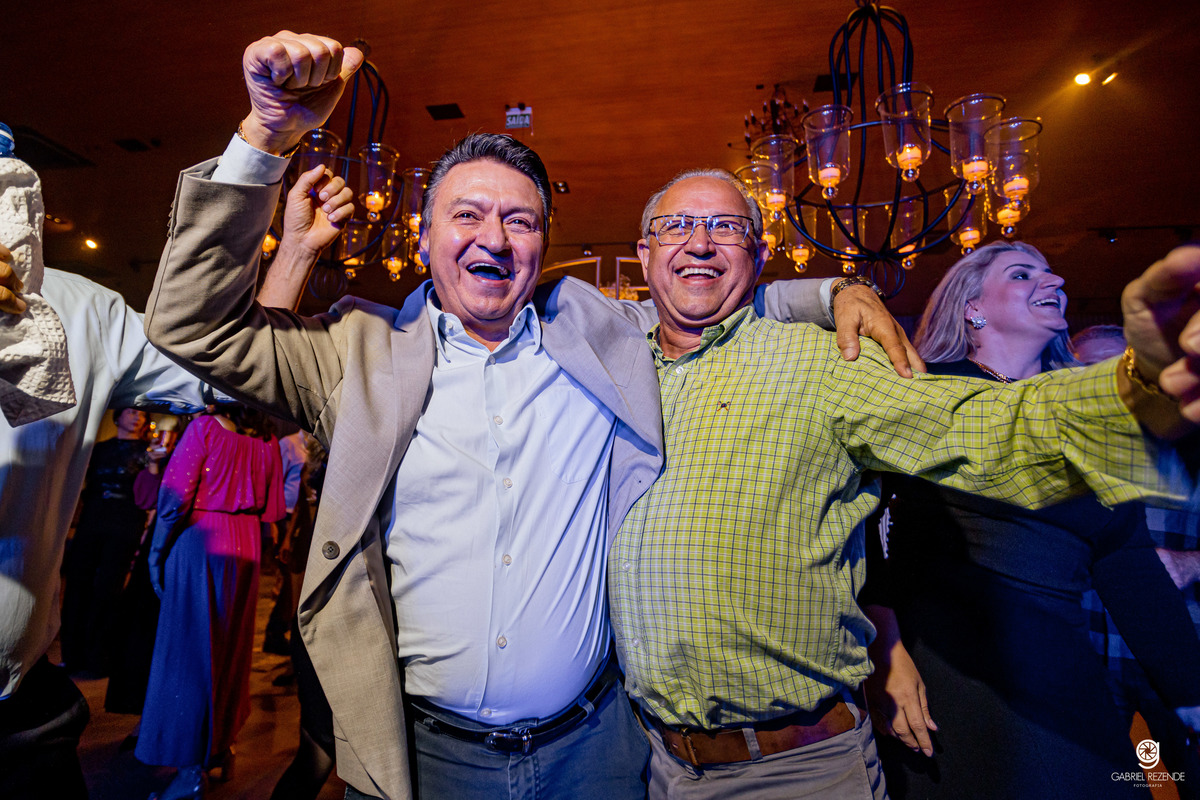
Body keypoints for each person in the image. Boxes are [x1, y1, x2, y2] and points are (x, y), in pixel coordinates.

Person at [143, 31, 918, 800]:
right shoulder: (356, 352)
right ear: (424, 238)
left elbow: (708, 296)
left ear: (543, 245)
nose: (494, 237)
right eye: (467, 215)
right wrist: (265, 139)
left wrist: (830, 292)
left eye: (520, 220)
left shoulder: (605, 339)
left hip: (597, 752)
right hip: (429, 754)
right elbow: (192, 326)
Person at [602, 173, 1200, 800]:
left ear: (759, 252)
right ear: (644, 252)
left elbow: (974, 426)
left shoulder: (825, 359)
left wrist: (1139, 388)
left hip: (796, 770)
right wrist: (832, 288)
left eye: (726, 227)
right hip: (657, 765)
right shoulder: (612, 368)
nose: (699, 243)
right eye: (676, 226)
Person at [0, 159, 330, 798]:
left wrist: (292, 250)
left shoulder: (76, 310)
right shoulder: (263, 444)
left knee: (190, 657)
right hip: (239, 550)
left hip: (26, 711)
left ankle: (188, 753)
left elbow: (221, 367)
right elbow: (277, 499)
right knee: (213, 655)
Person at [856, 242, 1200, 799]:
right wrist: (885, 651)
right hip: (952, 678)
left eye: (1052, 273)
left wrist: (1192, 699)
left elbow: (1130, 568)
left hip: (1064, 677)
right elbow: (861, 525)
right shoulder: (929, 392)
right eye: (1022, 274)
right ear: (972, 306)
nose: (1055, 281)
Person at [136, 404, 285, 800]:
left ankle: (190, 773)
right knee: (229, 652)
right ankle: (221, 748)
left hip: (203, 538)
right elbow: (273, 510)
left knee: (189, 657)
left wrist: (156, 553)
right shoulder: (267, 440)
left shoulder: (204, 428)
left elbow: (174, 500)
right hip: (246, 543)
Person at [60, 406, 151, 677]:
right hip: (93, 519)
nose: (138, 417)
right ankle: (71, 654)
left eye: (142, 414)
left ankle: (98, 658)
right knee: (78, 583)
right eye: (132, 412)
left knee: (108, 589)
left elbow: (148, 494)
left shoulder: (148, 452)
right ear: (118, 416)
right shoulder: (99, 449)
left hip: (126, 522)